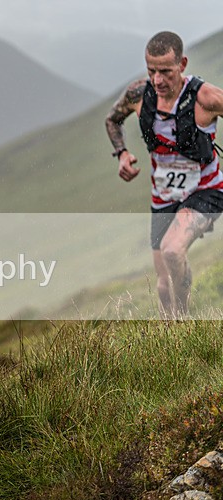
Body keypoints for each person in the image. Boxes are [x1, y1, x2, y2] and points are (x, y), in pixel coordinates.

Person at [105, 31, 223, 318]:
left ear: (182, 64)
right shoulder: (139, 94)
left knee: (172, 250)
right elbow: (112, 119)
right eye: (152, 71)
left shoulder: (205, 97)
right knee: (162, 287)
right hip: (163, 196)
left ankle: (183, 321)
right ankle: (173, 334)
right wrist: (122, 154)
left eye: (166, 72)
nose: (158, 80)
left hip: (205, 191)